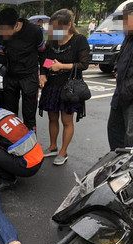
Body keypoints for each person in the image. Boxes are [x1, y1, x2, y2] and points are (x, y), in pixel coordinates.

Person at [38, 9, 90, 165]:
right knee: (52, 118)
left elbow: (84, 64)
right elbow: (45, 60)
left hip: (69, 87)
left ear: (69, 25)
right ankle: (53, 146)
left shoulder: (79, 40)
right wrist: (43, 74)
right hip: (52, 86)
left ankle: (63, 151)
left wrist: (62, 66)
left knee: (67, 120)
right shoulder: (52, 40)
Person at [0, 7, 46, 132]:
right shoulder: (2, 34)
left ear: (16, 25)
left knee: (29, 116)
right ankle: (11, 145)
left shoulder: (35, 31)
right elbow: (3, 58)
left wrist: (43, 74)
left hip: (29, 77)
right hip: (10, 77)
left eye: (6, 31)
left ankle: (31, 145)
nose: (4, 34)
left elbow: (44, 53)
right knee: (9, 115)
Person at [107, 3, 133, 150]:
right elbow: (121, 57)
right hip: (120, 93)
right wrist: (117, 69)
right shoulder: (128, 37)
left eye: (127, 19)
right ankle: (117, 161)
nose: (124, 23)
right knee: (114, 129)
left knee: (130, 137)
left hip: (130, 95)